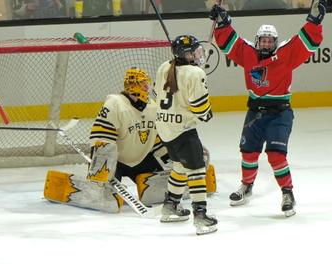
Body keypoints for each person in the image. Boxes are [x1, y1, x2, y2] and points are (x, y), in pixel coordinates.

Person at [44, 67, 217, 213]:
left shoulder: (154, 107)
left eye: (147, 84)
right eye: (143, 84)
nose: (147, 88)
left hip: (142, 159)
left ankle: (195, 179)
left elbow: (160, 139)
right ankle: (65, 185)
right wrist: (102, 172)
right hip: (116, 161)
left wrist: (178, 157)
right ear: (132, 86)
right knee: (110, 201)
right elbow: (101, 139)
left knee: (153, 192)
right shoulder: (115, 104)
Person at [209, 0, 325, 217]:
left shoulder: (286, 55)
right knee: (248, 153)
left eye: (269, 41)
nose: (265, 44)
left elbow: (306, 41)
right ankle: (246, 186)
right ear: (257, 41)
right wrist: (222, 22)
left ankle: (287, 193)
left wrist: (315, 20)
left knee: (276, 155)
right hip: (255, 112)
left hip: (280, 113)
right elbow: (230, 42)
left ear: (275, 42)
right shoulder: (249, 54)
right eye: (262, 40)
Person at [153, 35, 217, 235]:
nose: (198, 53)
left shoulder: (165, 66)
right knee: (197, 170)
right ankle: (200, 216)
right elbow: (200, 107)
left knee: (180, 166)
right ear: (186, 54)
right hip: (183, 130)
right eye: (194, 51)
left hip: (164, 129)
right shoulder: (195, 73)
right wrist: (207, 115)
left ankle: (170, 207)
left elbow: (157, 95)